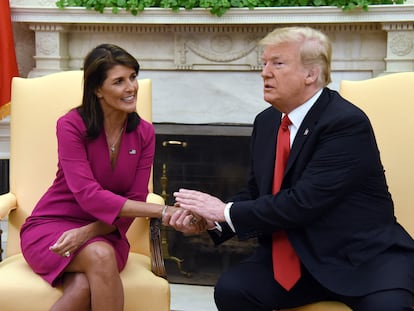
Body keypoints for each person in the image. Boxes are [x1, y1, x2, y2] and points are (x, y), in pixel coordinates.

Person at [172, 27, 414, 310]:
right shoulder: (267, 122)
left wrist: (223, 210)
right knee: (233, 289)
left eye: (277, 63)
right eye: (264, 63)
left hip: (361, 260)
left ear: (310, 74)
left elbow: (304, 202)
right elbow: (256, 190)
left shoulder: (345, 123)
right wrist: (211, 221)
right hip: (297, 260)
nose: (264, 72)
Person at [19, 43, 202, 311]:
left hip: (108, 232)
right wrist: (164, 211)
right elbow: (88, 195)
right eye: (119, 81)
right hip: (52, 227)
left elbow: (134, 200)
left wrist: (87, 233)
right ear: (97, 89)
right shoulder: (71, 125)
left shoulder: (145, 134)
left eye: (133, 77)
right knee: (95, 264)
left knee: (92, 269)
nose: (131, 88)